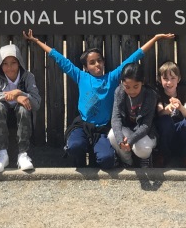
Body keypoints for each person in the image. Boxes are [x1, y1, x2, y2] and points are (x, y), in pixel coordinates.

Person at [23, 29, 174, 169]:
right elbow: (60, 59)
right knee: (75, 147)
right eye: (92, 62)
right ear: (86, 67)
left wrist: (155, 39)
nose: (97, 64)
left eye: (100, 61)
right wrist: (36, 41)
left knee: (106, 161)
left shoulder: (112, 77)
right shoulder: (81, 76)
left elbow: (135, 56)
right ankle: (80, 158)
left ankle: (103, 155)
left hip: (103, 130)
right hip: (83, 126)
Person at [0, 43, 42, 173]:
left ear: (19, 63)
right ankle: (2, 153)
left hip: (21, 113)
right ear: (0, 64)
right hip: (2, 112)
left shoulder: (28, 76)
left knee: (23, 108)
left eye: (13, 63)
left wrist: (21, 93)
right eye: (5, 63)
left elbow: (37, 102)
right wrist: (14, 96)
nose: (9, 67)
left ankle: (23, 154)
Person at [108, 63, 158, 168]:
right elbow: (115, 118)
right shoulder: (119, 92)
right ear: (122, 83)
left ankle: (145, 159)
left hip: (145, 133)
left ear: (142, 82)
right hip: (128, 128)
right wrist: (120, 139)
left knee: (142, 148)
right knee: (113, 135)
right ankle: (127, 161)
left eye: (136, 87)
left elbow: (146, 125)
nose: (131, 91)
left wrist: (130, 140)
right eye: (127, 87)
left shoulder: (150, 95)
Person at [153, 62, 186, 168]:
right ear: (160, 80)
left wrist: (180, 107)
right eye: (165, 79)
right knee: (165, 120)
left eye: (173, 78)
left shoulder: (184, 91)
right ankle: (163, 155)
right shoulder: (158, 92)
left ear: (178, 79)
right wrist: (167, 109)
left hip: (180, 131)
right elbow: (159, 112)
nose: (169, 82)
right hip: (165, 134)